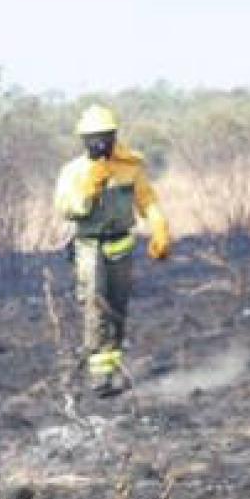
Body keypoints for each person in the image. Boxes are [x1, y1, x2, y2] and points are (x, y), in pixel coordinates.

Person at [54, 105, 171, 396]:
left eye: (104, 137)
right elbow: (66, 209)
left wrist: (159, 227)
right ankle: (99, 377)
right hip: (89, 247)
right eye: (93, 138)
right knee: (95, 306)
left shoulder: (129, 166)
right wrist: (88, 190)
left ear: (114, 135)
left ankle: (114, 366)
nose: (99, 144)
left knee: (117, 307)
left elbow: (147, 200)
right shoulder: (73, 172)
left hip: (121, 245)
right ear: (83, 140)